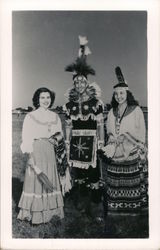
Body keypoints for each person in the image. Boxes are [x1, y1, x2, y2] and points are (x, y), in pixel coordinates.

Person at [63, 36, 104, 217]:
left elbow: (100, 123)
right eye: (76, 82)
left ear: (87, 82)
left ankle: (95, 206)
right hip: (76, 144)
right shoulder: (69, 105)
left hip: (92, 142)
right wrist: (66, 141)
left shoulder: (96, 102)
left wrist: (101, 142)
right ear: (74, 84)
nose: (79, 84)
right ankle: (81, 201)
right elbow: (69, 125)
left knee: (94, 174)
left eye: (82, 81)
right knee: (78, 173)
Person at [17, 87, 71, 224]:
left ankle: (52, 212)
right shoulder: (30, 117)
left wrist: (56, 138)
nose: (46, 100)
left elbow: (60, 134)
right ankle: (35, 214)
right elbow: (27, 138)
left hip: (51, 152)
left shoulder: (55, 117)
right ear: (37, 99)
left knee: (50, 179)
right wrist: (30, 156)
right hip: (36, 150)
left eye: (48, 97)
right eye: (42, 97)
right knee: (37, 181)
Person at [102, 66, 148, 215]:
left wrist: (126, 136)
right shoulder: (111, 112)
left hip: (130, 150)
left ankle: (132, 208)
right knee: (115, 179)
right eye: (116, 94)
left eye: (121, 93)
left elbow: (141, 131)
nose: (119, 97)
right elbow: (108, 129)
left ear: (127, 94)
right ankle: (115, 206)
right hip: (115, 151)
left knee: (130, 179)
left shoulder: (136, 110)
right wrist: (113, 138)